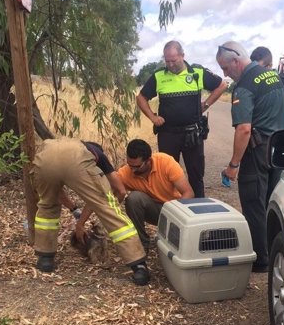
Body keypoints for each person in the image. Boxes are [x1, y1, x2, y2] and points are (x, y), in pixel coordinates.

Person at [30, 139, 150, 285]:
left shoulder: (61, 144)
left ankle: (45, 258)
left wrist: (75, 211)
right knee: (106, 206)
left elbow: (57, 193)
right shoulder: (96, 154)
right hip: (76, 159)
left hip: (44, 158)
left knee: (47, 205)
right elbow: (120, 190)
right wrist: (108, 210)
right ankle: (138, 266)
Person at [216, 41, 284, 273]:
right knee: (271, 201)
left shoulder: (245, 85)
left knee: (253, 202)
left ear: (236, 61)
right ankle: (275, 249)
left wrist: (234, 164)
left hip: (257, 150)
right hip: (278, 148)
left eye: (226, 68)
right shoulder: (273, 76)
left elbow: (244, 129)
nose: (225, 74)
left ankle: (261, 259)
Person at [136, 40, 227, 198]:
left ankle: (199, 212)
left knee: (196, 175)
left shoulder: (197, 73)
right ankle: (171, 212)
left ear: (182, 56)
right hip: (168, 134)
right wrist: (152, 117)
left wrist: (205, 104)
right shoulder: (159, 76)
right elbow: (141, 98)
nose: (170, 64)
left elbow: (222, 85)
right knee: (167, 175)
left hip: (192, 133)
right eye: (167, 60)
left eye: (174, 60)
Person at [117, 139, 194, 249]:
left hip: (174, 211)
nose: (132, 170)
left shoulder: (166, 162)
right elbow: (107, 192)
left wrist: (173, 217)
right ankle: (142, 244)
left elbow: (189, 193)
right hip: (154, 211)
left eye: (137, 166)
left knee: (178, 245)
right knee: (133, 199)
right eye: (130, 165)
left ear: (148, 160)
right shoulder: (125, 173)